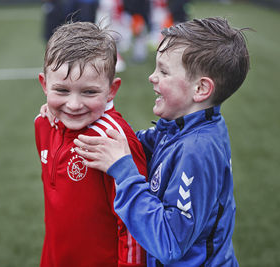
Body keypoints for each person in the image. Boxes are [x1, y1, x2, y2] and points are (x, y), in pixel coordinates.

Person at [72, 17, 250, 266]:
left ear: (200, 89)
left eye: (164, 71)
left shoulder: (197, 150)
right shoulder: (181, 128)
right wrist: (73, 112)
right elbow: (135, 143)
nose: (152, 77)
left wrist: (124, 172)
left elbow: (169, 242)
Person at [35, 21, 148, 266]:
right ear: (45, 85)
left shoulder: (113, 140)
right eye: (62, 90)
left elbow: (135, 224)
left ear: (111, 90)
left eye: (89, 92)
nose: (74, 104)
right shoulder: (43, 124)